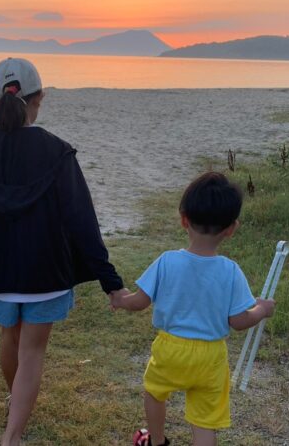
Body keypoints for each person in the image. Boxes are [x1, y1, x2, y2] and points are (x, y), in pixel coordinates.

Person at [0, 57, 125, 446]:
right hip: (46, 274)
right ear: (40, 99)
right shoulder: (57, 152)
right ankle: (12, 434)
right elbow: (83, 221)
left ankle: (14, 402)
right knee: (32, 351)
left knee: (9, 338)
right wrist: (111, 282)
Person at [110, 172, 276, 446]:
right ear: (232, 228)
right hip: (211, 356)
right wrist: (262, 309)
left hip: (170, 350)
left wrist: (120, 298)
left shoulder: (166, 262)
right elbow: (238, 320)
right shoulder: (231, 271)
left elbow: (139, 301)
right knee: (205, 419)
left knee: (154, 392)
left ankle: (157, 440)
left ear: (183, 219)